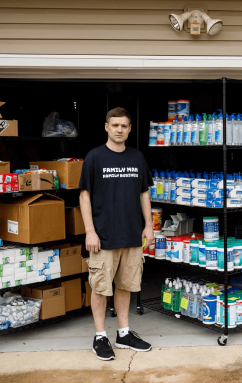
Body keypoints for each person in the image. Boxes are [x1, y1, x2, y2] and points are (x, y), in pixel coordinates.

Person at [79, 107, 155, 361]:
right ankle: (100, 336)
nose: (120, 130)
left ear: (130, 129)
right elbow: (84, 196)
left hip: (133, 234)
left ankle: (123, 333)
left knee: (126, 285)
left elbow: (144, 193)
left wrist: (149, 225)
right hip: (102, 237)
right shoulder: (94, 157)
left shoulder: (137, 157)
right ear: (106, 127)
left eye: (124, 126)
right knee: (100, 287)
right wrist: (90, 231)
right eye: (115, 125)